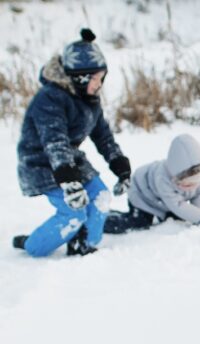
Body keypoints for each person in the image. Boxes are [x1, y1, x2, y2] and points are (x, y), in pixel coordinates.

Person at [12, 29, 131, 257]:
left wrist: (120, 166)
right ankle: (32, 245)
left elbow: (103, 135)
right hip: (41, 163)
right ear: (80, 77)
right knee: (74, 213)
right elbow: (54, 141)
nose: (100, 84)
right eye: (95, 78)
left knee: (100, 196)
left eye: (102, 77)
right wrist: (69, 181)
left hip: (69, 160)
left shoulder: (88, 99)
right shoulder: (50, 98)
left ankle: (84, 245)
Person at [104, 134, 200, 234]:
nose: (191, 188)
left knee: (179, 217)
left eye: (195, 184)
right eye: (187, 185)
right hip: (141, 194)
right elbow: (177, 205)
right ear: (176, 176)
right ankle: (103, 220)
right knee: (140, 222)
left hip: (162, 200)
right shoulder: (163, 179)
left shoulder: (198, 174)